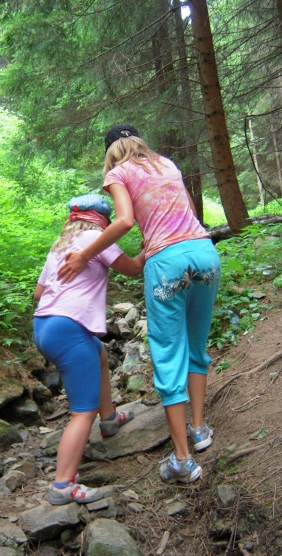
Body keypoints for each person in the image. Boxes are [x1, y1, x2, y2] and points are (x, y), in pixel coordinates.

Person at [58, 125, 221, 484]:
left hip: (167, 265)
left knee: (168, 354)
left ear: (110, 152)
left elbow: (125, 221)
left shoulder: (119, 172)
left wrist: (85, 254)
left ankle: (182, 461)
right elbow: (190, 211)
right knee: (196, 348)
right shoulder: (167, 164)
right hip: (204, 253)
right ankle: (199, 429)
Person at [33, 193, 145, 505]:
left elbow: (38, 293)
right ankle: (63, 485)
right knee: (83, 412)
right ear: (102, 221)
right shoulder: (97, 239)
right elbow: (133, 269)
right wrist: (147, 248)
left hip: (43, 326)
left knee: (99, 352)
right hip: (69, 329)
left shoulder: (60, 246)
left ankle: (109, 419)